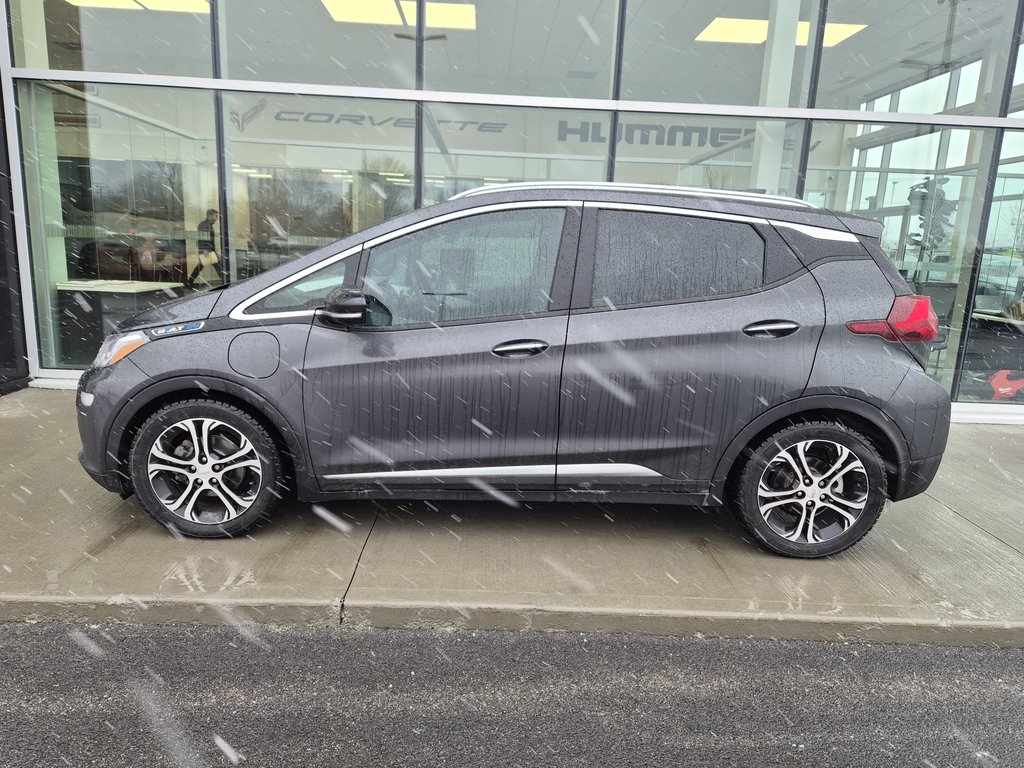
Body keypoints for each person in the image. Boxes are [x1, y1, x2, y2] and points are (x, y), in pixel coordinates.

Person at [187, 209, 220, 288]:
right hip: (207, 250)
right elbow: (202, 239)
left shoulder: (207, 224)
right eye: (216, 216)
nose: (217, 218)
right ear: (210, 216)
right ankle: (226, 281)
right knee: (218, 266)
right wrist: (204, 250)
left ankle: (189, 282)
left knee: (200, 266)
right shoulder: (205, 225)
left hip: (208, 249)